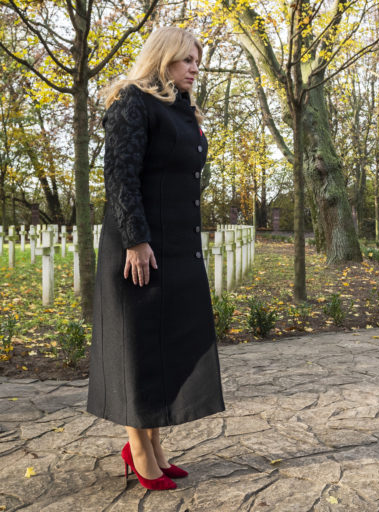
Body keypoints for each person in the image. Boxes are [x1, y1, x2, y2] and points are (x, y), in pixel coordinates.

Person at [87, 27, 224, 491]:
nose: (194, 69)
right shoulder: (132, 102)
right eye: (186, 60)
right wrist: (136, 239)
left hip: (176, 249)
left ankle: (154, 446)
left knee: (165, 348)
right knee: (139, 349)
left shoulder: (181, 110)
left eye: (197, 62)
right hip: (138, 249)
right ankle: (139, 450)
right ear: (162, 58)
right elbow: (120, 177)